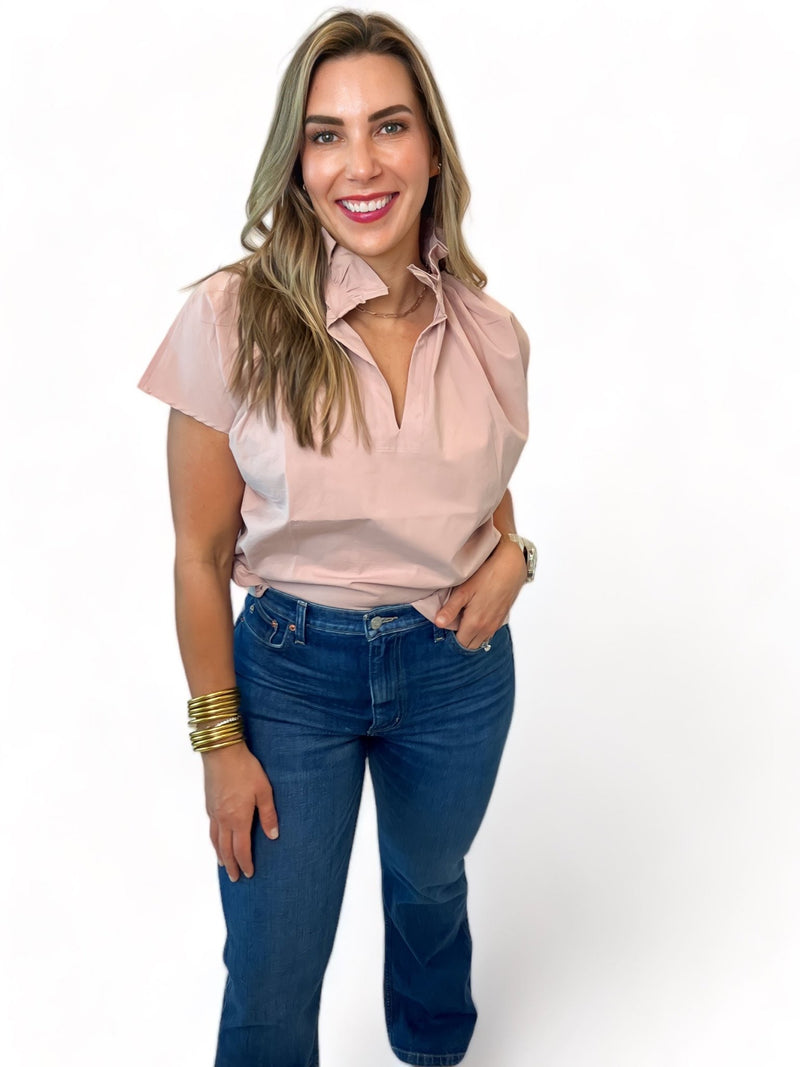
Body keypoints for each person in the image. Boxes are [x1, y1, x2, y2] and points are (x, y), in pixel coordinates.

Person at [138, 10, 537, 1066]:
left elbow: (482, 489)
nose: (359, 163)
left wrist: (515, 554)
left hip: (455, 671)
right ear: (297, 160)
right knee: (271, 968)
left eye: (388, 126)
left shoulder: (491, 333)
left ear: (432, 149)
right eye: (327, 134)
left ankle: (433, 1042)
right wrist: (220, 742)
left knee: (429, 882)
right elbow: (195, 555)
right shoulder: (230, 319)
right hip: (289, 675)